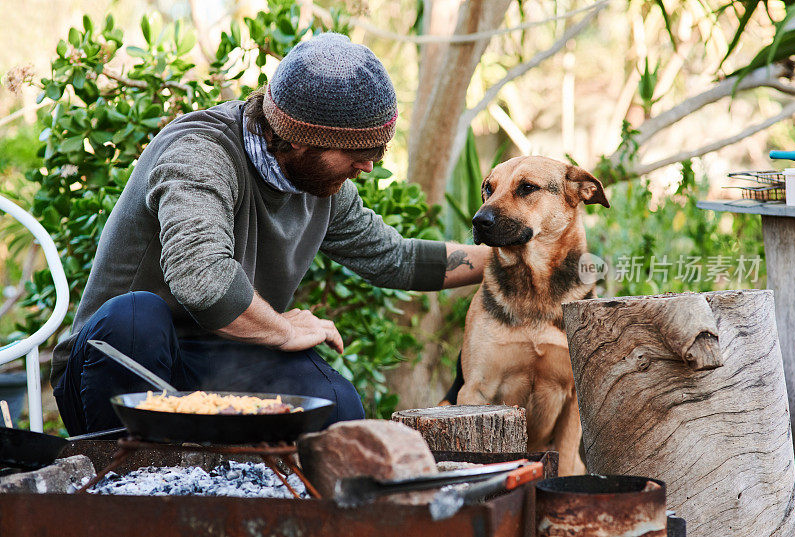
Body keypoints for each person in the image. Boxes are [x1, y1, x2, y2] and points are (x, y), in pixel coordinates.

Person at [51, 33, 489, 435]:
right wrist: (282, 329)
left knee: (336, 405)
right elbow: (202, 278)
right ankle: (124, 489)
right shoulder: (200, 154)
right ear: (299, 138)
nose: (369, 165)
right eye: (357, 152)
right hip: (115, 367)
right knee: (136, 317)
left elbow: (396, 258)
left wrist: (513, 261)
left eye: (376, 151)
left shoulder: (321, 184)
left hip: (219, 363)